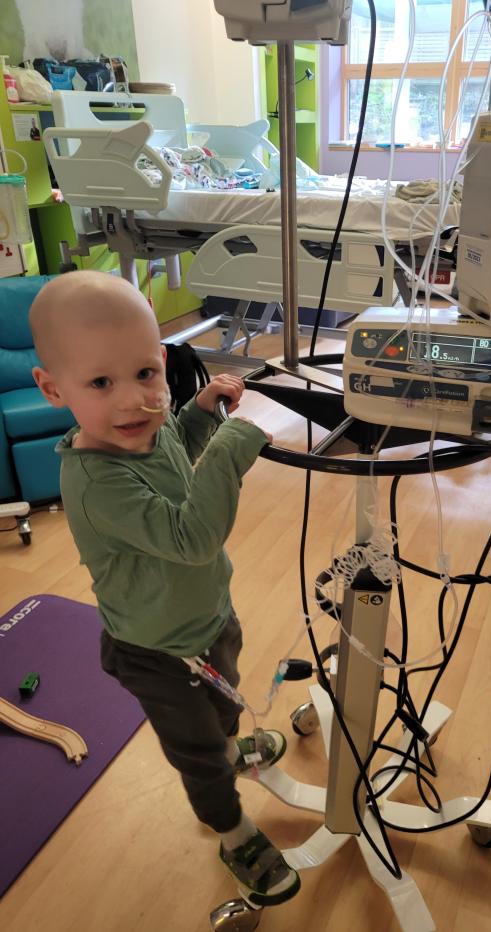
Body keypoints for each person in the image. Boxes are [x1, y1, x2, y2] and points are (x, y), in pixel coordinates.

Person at [30, 270, 300, 908]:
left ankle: (234, 745)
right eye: (101, 383)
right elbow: (190, 537)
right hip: (157, 654)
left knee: (224, 709)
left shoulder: (144, 431)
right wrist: (235, 446)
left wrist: (198, 415)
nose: (135, 401)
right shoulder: (97, 482)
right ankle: (234, 834)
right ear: (52, 388)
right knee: (198, 753)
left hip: (208, 619)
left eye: (147, 373)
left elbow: (173, 449)